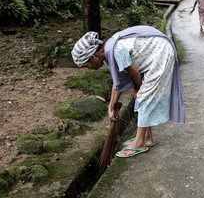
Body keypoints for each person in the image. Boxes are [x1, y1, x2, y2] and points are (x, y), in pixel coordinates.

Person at [71, 26, 185, 158]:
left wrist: (138, 87)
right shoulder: (109, 51)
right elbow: (117, 82)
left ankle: (139, 143)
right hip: (157, 52)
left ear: (93, 56)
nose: (88, 68)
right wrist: (111, 106)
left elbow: (134, 72)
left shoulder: (116, 51)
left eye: (86, 65)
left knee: (143, 98)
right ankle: (147, 137)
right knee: (142, 97)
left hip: (161, 54)